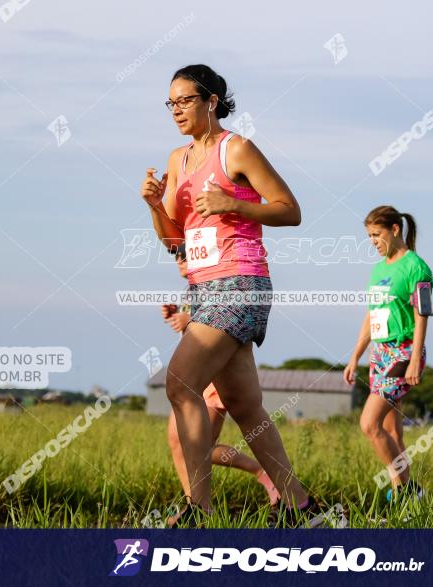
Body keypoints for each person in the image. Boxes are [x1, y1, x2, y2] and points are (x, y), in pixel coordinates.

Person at [139, 64, 320, 527]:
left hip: (240, 282)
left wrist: (232, 203)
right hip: (200, 288)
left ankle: (198, 509)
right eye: (171, 103)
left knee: (180, 384)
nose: (176, 110)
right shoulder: (177, 161)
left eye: (185, 100)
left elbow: (290, 210)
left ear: (211, 101)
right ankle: (300, 503)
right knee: (244, 406)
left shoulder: (235, 149)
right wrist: (157, 206)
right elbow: (175, 241)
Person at [162, 246, 279, 525]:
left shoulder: (216, 282)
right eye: (176, 254)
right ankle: (195, 506)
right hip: (199, 375)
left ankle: (264, 480)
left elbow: (219, 322)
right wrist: (179, 315)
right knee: (179, 441)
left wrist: (187, 319)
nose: (180, 259)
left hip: (213, 376)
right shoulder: (193, 288)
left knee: (198, 442)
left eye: (185, 253)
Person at [344, 205, 432, 501]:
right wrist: (356, 354)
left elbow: (422, 315)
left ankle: (409, 490)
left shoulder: (416, 267)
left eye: (377, 234)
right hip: (379, 352)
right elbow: (372, 315)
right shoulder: (378, 268)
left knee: (369, 423)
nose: (372, 241)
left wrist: (415, 359)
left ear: (395, 230)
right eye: (369, 236)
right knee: (392, 432)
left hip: (404, 351)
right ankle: (402, 494)